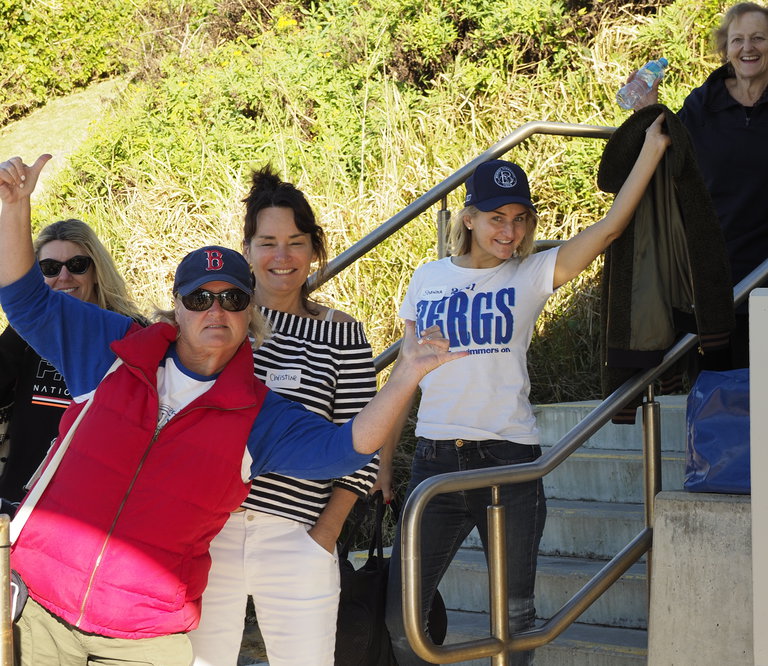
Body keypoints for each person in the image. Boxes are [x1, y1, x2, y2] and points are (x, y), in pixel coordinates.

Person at [0, 153, 463, 666]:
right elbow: (25, 301)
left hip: (144, 626)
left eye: (232, 299)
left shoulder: (257, 415)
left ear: (250, 314)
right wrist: (15, 208)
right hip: (44, 604)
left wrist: (404, 376)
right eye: (199, 299)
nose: (215, 310)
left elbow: (345, 449)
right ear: (175, 306)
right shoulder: (113, 350)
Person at [384, 113, 670, 666]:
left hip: (509, 461)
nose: (509, 231)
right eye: (496, 218)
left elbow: (609, 228)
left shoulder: (530, 274)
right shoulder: (427, 279)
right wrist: (382, 466)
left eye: (520, 219)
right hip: (434, 461)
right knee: (401, 615)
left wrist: (651, 150)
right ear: (469, 218)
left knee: (514, 623)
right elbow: (402, 379)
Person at [190, 166, 388, 665]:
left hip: (297, 532)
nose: (282, 257)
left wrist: (324, 535)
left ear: (315, 249)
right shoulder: (222, 318)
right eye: (268, 243)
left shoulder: (342, 334)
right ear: (247, 250)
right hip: (209, 531)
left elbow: (363, 442)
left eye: (296, 242)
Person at [632, 1, 768, 366]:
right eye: (737, 40)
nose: (747, 48)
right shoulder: (702, 103)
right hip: (713, 271)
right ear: (726, 49)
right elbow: (666, 162)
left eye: (758, 38)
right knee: (718, 384)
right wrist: (647, 109)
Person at [0, 219, 145, 503]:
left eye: (77, 265)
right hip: (21, 502)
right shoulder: (23, 335)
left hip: (96, 503)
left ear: (96, 271)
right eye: (49, 268)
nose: (64, 276)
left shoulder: (133, 335)